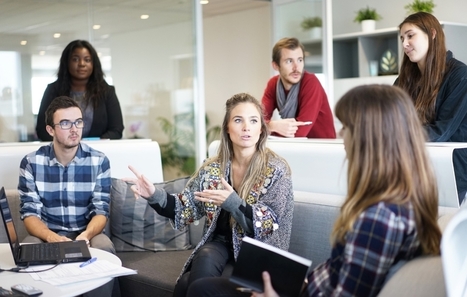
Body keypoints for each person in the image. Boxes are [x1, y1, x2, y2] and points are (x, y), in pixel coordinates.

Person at [186, 85, 442, 297]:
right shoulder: (398, 202)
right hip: (307, 287)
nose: (341, 135)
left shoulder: (379, 218)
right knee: (199, 285)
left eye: (347, 127)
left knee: (202, 290)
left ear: (369, 137)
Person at [124, 93, 294, 297]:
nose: (246, 127)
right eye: (238, 120)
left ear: (261, 129)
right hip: (220, 244)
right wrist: (153, 194)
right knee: (204, 255)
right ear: (227, 129)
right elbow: (185, 208)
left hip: (258, 252)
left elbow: (267, 224)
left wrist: (232, 203)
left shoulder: (276, 169)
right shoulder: (213, 168)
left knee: (188, 284)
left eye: (253, 120)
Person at [19, 96, 116, 296]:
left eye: (78, 122)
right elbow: (29, 214)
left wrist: (85, 236)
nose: (74, 129)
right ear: (50, 130)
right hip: (47, 234)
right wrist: (51, 237)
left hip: (86, 233)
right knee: (27, 247)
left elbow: (101, 210)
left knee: (104, 246)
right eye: (65, 123)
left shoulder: (99, 161)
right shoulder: (31, 163)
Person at [394, 12, 467, 205]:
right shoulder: (403, 80)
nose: (404, 44)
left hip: (451, 169)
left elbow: (442, 131)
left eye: (410, 35)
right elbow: (389, 120)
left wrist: (394, 135)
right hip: (413, 163)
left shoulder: (460, 75)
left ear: (432, 34)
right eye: (402, 38)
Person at [36, 39, 124, 141]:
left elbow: (116, 130)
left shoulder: (107, 92)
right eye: (75, 59)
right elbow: (42, 130)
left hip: (97, 152)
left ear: (94, 64)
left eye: (87, 60)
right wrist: (68, 144)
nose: (82, 64)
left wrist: (92, 145)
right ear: (67, 62)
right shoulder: (53, 90)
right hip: (62, 153)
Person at [261, 37, 335, 139]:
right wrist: (272, 126)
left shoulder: (310, 82)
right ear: (276, 66)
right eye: (289, 61)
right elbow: (258, 122)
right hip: (294, 146)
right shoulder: (273, 84)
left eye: (300, 60)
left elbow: (301, 131)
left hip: (322, 148)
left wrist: (268, 128)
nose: (296, 67)